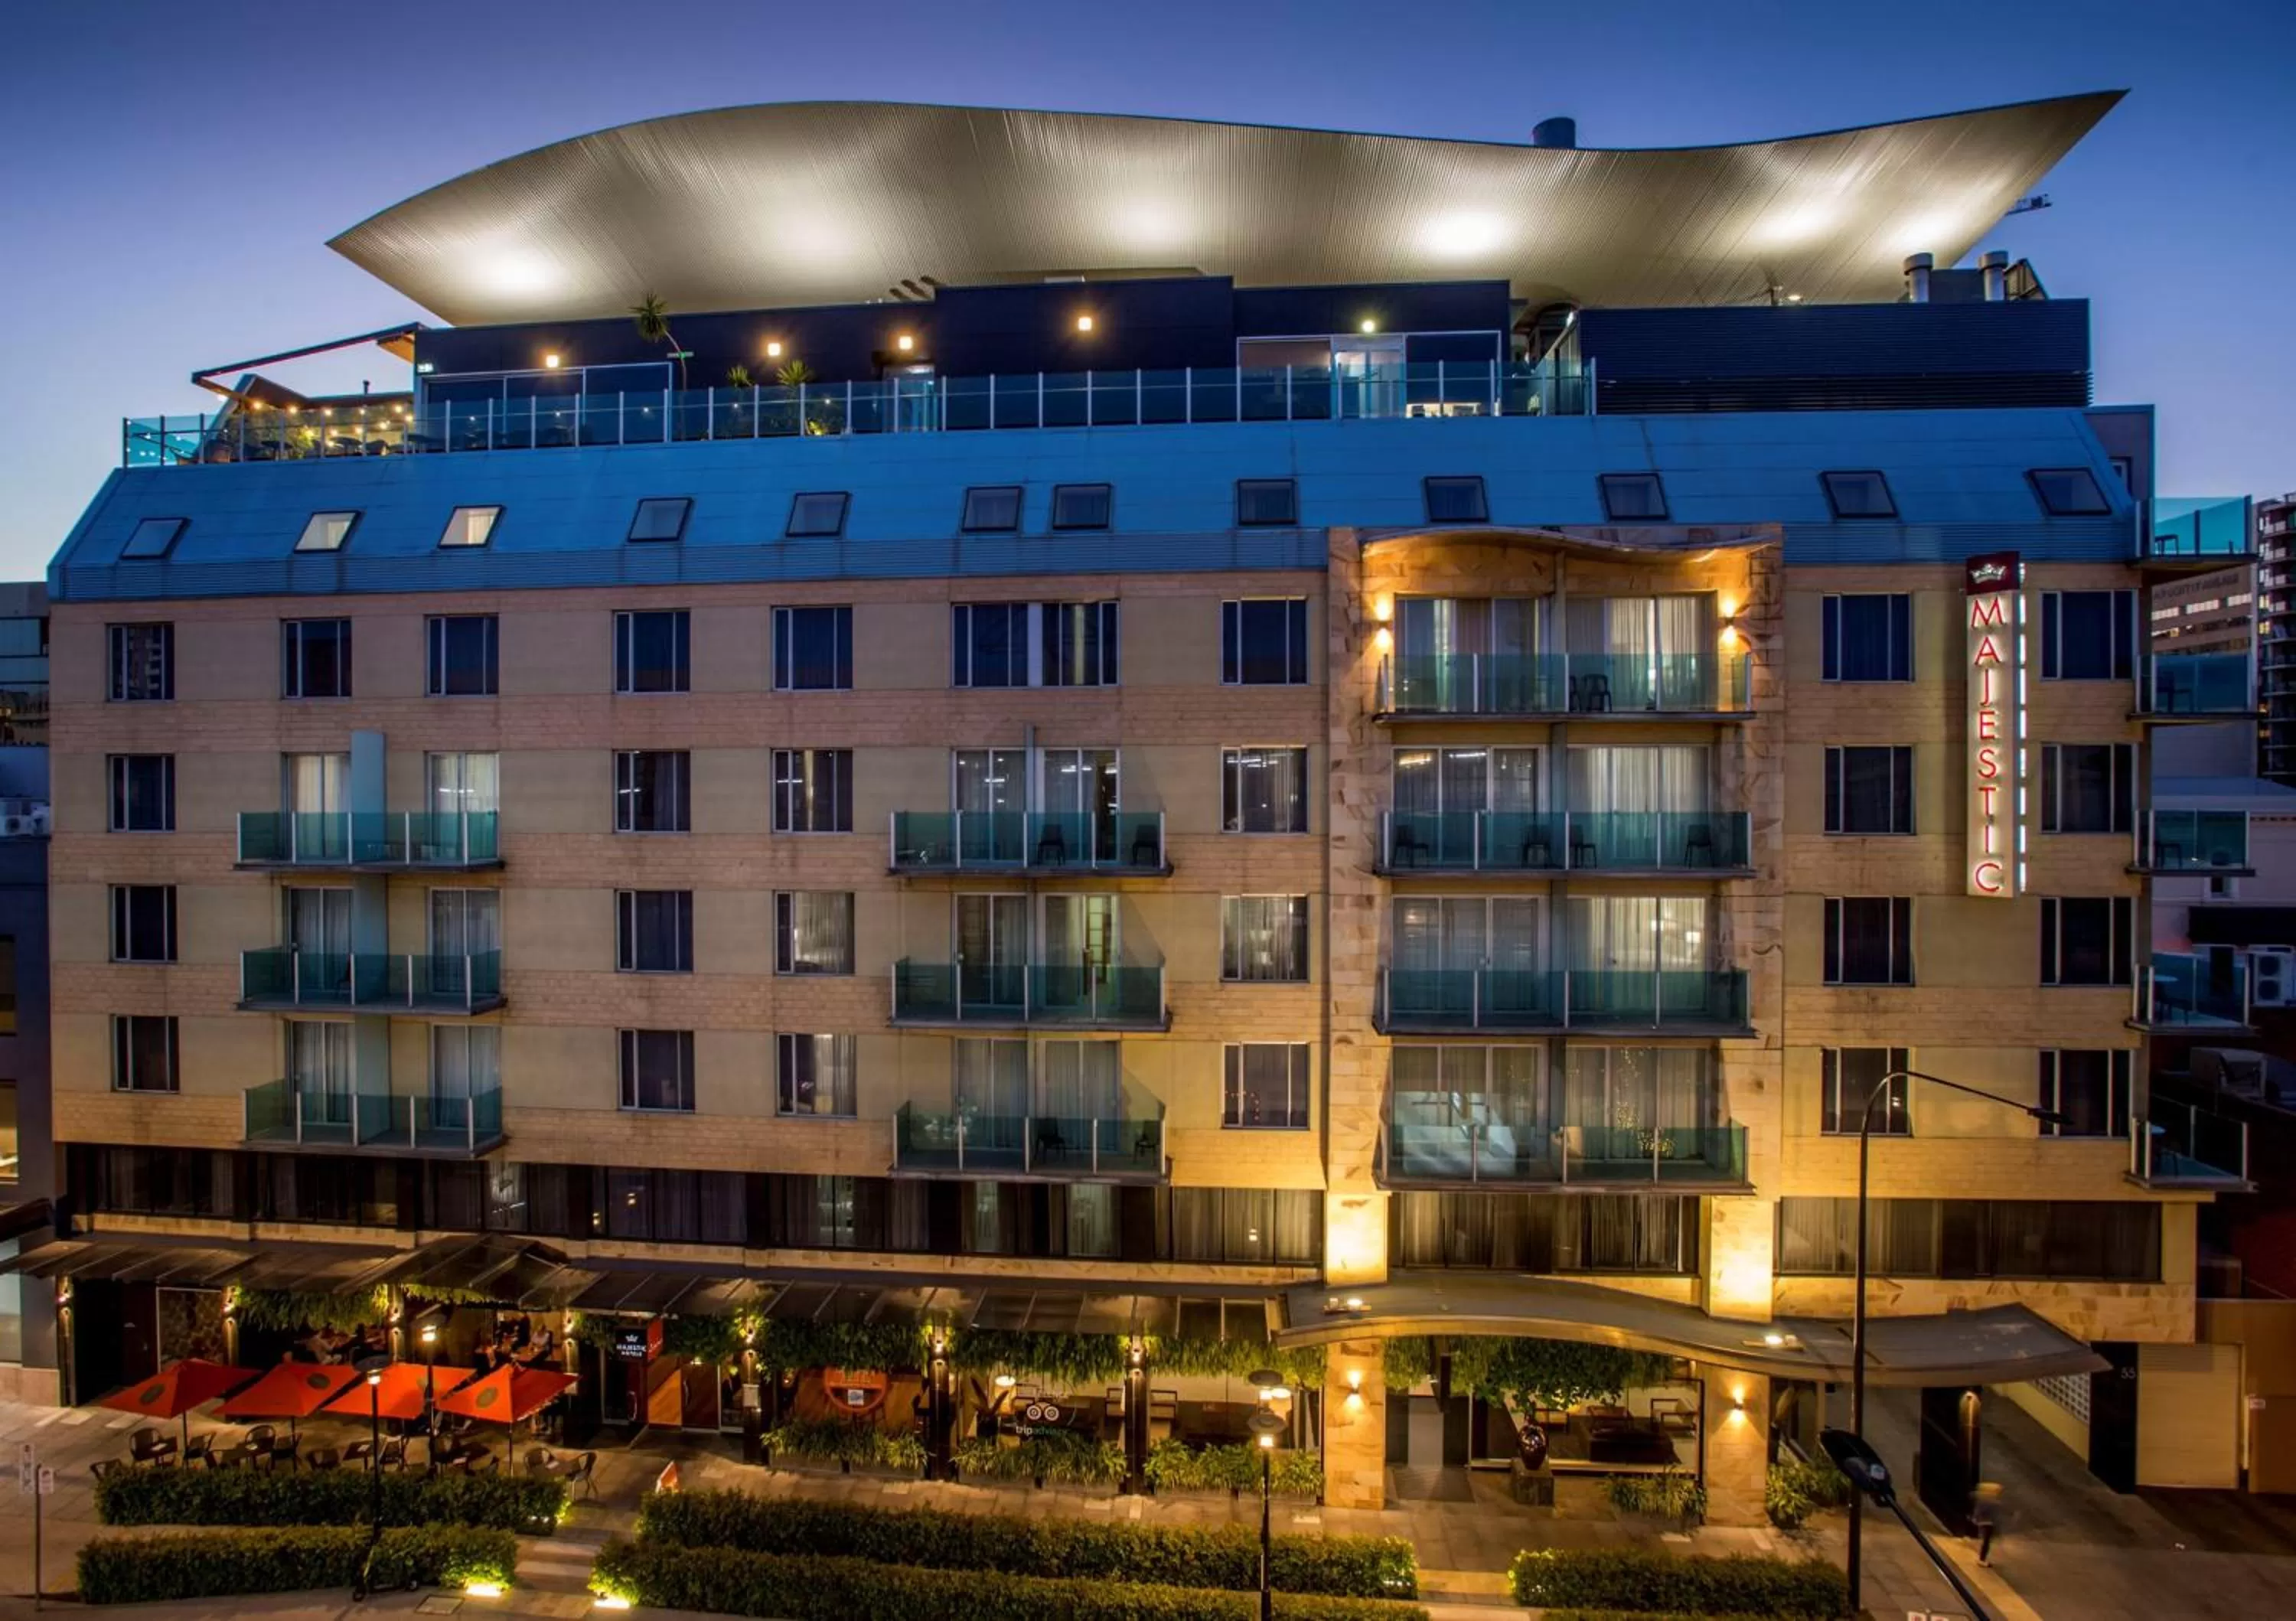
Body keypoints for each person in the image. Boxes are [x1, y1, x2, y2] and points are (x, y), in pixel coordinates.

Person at [1970, 1479, 2005, 1565]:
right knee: (1986, 1542)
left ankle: (1982, 1559)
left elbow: (1978, 1510)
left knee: (1986, 1541)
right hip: (1987, 1523)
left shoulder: (1984, 1500)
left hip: (1984, 1522)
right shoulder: (1991, 1502)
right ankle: (1982, 1560)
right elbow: (1993, 1514)